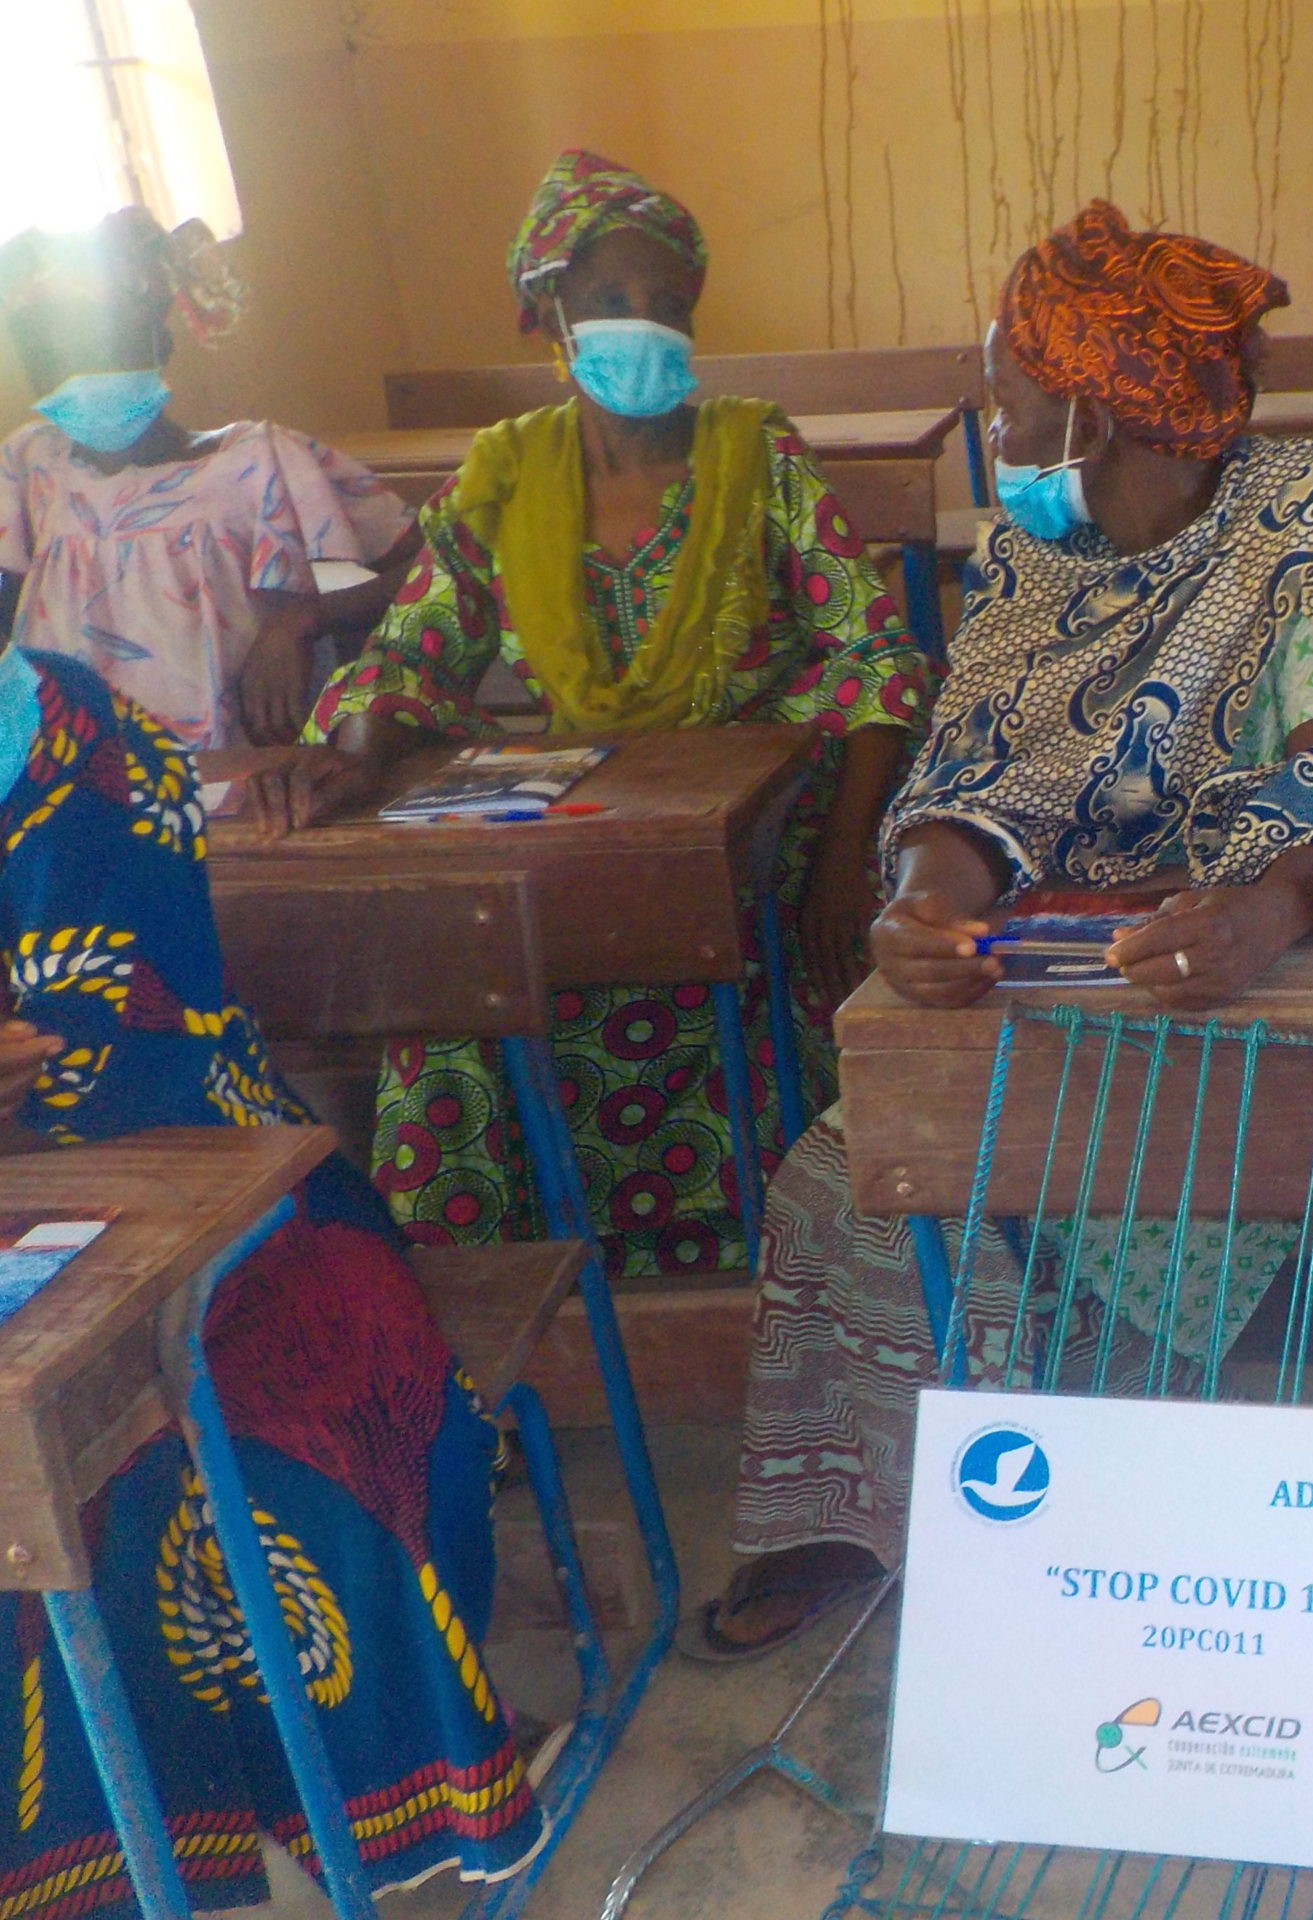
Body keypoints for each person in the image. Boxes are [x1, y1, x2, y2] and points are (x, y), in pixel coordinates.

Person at [694, 201, 1313, 1660]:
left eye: (1007, 401)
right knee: (851, 1170)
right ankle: (882, 1518)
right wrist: (928, 893)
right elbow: (973, 773)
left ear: (1095, 413)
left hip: (1296, 967)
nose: (994, 431)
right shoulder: (1030, 554)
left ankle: (1224, 1574)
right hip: (1092, 965)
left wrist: (1260, 914)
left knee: (1198, 1175)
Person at [285, 151, 931, 1279]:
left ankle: (760, 1263)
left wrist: (842, 863)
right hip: (587, 823)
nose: (646, 325)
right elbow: (412, 649)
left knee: (749, 947)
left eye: (669, 303)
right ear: (551, 314)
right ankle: (502, 1286)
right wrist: (357, 749)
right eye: (611, 299)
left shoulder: (757, 452)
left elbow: (874, 655)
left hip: (763, 827)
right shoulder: (505, 472)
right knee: (459, 989)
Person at [0, 642, 543, 1917]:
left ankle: (305, 1823)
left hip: (207, 1181)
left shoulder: (70, 741)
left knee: (276, 1432)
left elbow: (100, 1054)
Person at [0, 208, 419, 749]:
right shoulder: (31, 464)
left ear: (153, 334)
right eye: (39, 348)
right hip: (78, 772)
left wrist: (303, 618)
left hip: (241, 768)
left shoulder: (262, 464)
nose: (67, 367)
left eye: (89, 339)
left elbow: (427, 568)